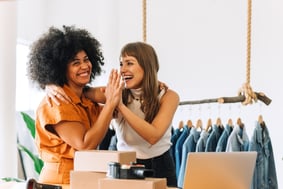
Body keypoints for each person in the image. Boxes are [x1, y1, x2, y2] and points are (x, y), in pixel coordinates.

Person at [47, 42, 180, 187]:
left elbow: (153, 136)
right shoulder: (116, 92)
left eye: (129, 63)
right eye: (121, 64)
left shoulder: (168, 96)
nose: (123, 70)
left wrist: (120, 106)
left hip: (161, 165)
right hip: (125, 166)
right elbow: (78, 89)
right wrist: (51, 84)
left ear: (147, 66)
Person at [27, 25, 122, 184]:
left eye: (86, 60)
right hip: (61, 180)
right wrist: (110, 104)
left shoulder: (83, 100)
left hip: (81, 176)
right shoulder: (57, 103)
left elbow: (118, 102)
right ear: (60, 69)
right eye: (75, 63)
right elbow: (84, 145)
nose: (84, 66)